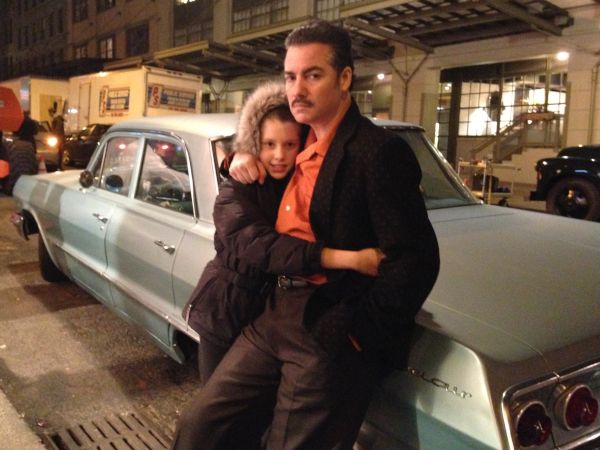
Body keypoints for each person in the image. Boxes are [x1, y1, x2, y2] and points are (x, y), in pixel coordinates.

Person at [171, 20, 440, 450]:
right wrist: (236, 156)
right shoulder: (298, 140)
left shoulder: (376, 151)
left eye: (312, 75)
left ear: (345, 78)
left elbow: (415, 260)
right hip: (273, 310)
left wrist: (356, 336)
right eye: (290, 77)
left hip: (329, 322)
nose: (297, 89)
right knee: (201, 426)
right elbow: (262, 151)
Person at [184, 81, 383, 388]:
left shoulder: (300, 186)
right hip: (225, 312)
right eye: (269, 144)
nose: (279, 155)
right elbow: (264, 247)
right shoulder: (235, 190)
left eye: (290, 145)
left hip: (270, 318)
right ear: (254, 144)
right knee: (216, 402)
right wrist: (351, 260)